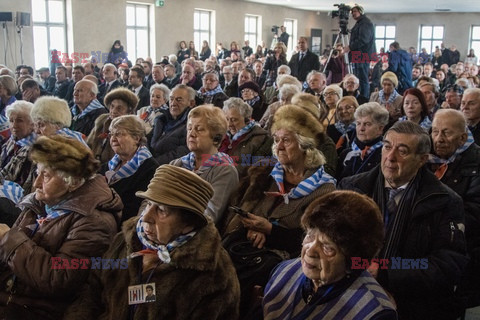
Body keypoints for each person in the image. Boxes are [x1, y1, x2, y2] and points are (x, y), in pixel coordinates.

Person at [67, 164, 240, 319]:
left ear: (189, 224)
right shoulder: (126, 240)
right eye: (149, 204)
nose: (146, 217)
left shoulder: (214, 277)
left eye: (162, 210)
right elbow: (92, 291)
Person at [339, 120, 468, 320]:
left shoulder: (444, 201)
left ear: (422, 159)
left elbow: (447, 265)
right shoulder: (352, 188)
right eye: (387, 147)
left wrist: (385, 272)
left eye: (403, 151)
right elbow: (332, 240)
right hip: (350, 291)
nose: (390, 158)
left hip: (413, 301)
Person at [224, 103, 336, 314]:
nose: (279, 147)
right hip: (244, 248)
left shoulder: (324, 189)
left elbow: (317, 242)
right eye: (276, 140)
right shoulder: (264, 174)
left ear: (304, 145)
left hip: (286, 263)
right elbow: (238, 210)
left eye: (286, 140)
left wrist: (271, 231)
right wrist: (252, 227)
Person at [0, 134, 122, 319]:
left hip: (38, 310)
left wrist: (9, 240)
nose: (36, 183)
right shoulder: (41, 202)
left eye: (46, 175)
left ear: (72, 182)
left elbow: (59, 278)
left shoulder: (95, 222)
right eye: (37, 173)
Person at [263, 191, 397, 319]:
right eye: (309, 236)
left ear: (351, 259)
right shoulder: (283, 271)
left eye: (327, 247)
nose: (310, 251)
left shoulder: (373, 312)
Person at [427, 109, 480, 310]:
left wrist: (430, 221)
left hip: (463, 251)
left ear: (463, 137)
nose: (438, 139)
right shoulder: (426, 160)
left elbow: (474, 214)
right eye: (435, 131)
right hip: (428, 246)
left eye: (446, 133)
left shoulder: (477, 162)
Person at [170, 104, 238, 226]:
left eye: (199, 129)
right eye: (189, 128)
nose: (191, 134)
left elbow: (208, 216)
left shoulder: (225, 170)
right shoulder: (176, 164)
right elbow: (152, 199)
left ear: (216, 138)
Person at [102, 115, 158, 222]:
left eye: (118, 134)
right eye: (111, 134)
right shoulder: (107, 165)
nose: (113, 138)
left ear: (136, 138)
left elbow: (136, 207)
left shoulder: (150, 169)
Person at [0, 101, 36, 225]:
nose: (14, 125)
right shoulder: (9, 142)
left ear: (32, 124)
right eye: (11, 120)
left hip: (18, 201)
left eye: (19, 120)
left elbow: (26, 187)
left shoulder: (35, 149)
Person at [219, 97, 273, 178]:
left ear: (246, 118)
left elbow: (254, 171)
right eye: (227, 119)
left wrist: (220, 170)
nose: (229, 124)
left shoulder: (262, 139)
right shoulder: (222, 135)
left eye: (234, 120)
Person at [337, 102, 389, 180]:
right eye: (358, 123)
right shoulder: (346, 153)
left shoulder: (386, 154)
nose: (361, 129)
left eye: (367, 124)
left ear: (380, 129)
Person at [87, 88, 139, 165]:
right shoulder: (101, 121)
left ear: (129, 112)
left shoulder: (132, 128)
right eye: (112, 106)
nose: (114, 111)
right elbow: (89, 145)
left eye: (119, 108)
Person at [150, 84, 194, 164]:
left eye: (179, 100)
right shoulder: (160, 120)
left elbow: (181, 153)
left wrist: (152, 163)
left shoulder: (191, 125)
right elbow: (147, 140)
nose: (173, 103)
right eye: (171, 99)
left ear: (191, 103)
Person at [344, 4, 375, 98]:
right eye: (352, 12)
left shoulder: (365, 23)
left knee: (362, 79)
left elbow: (363, 39)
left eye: (355, 11)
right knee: (359, 78)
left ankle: (364, 98)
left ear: (361, 12)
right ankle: (360, 96)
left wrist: (350, 47)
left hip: (362, 55)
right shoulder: (360, 23)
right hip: (359, 55)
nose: (353, 14)